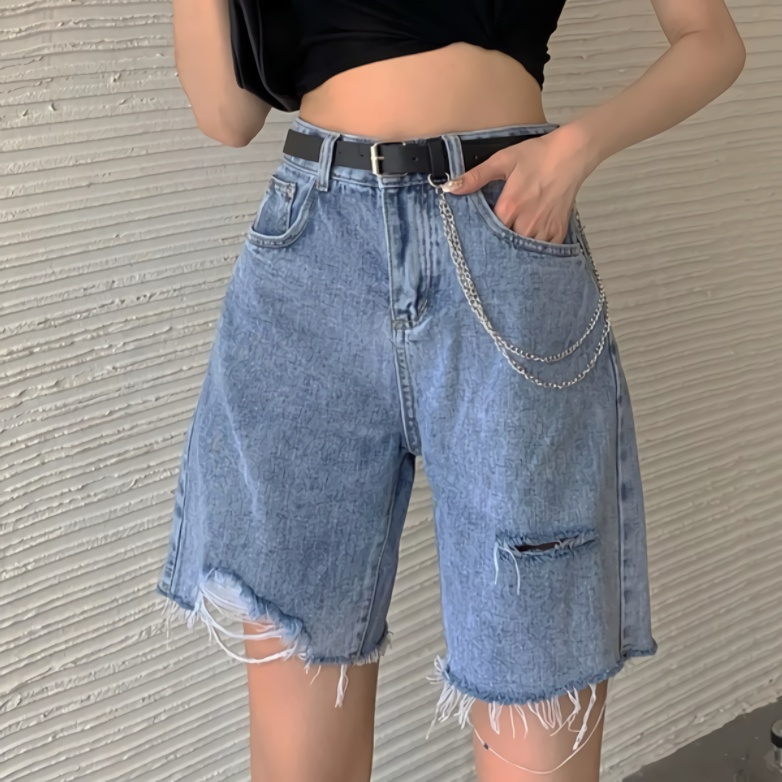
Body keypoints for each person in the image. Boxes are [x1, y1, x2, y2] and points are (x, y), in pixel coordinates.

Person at [157, 2, 745, 780]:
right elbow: (226, 115)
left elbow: (712, 42)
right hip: (311, 258)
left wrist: (572, 150)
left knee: (536, 680)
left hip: (505, 236)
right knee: (299, 732)